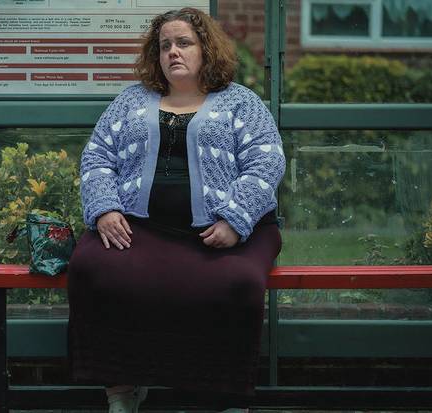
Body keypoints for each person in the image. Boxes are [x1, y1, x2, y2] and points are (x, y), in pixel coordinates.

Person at [67, 7, 285, 413]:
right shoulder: (131, 100)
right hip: (141, 226)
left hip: (220, 230)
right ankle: (121, 389)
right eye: (165, 45)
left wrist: (235, 219)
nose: (173, 52)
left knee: (236, 284)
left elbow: (267, 161)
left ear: (207, 49)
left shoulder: (241, 102)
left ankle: (224, 395)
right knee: (91, 268)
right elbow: (96, 156)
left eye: (183, 43)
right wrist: (104, 209)